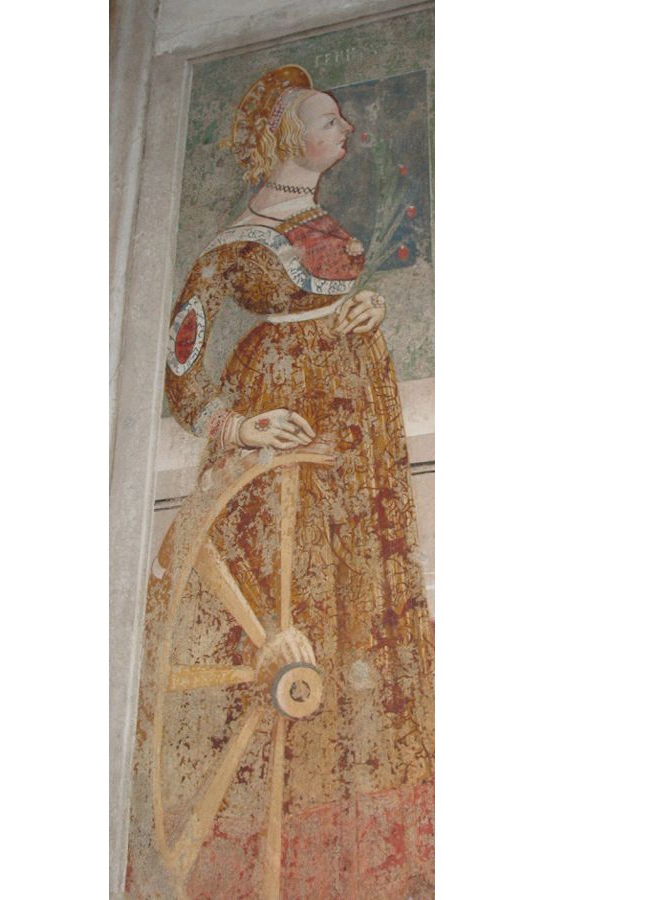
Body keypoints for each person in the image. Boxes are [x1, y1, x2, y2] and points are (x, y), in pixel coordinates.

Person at [139, 65, 434, 898]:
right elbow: (183, 375)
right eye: (327, 121)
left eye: (341, 120)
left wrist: (366, 309)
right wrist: (242, 428)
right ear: (286, 137)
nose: (344, 132)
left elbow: (331, 297)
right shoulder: (233, 244)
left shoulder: (316, 218)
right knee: (298, 587)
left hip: (356, 406)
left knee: (356, 582)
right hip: (287, 411)